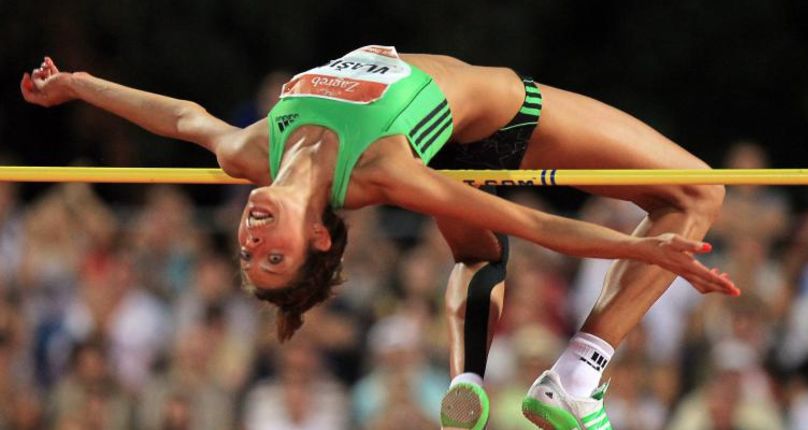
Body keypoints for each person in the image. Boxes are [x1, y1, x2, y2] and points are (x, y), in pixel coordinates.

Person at [22, 45, 737, 430]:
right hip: (504, 120)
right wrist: (639, 249)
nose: (250, 239)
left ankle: (467, 380)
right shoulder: (377, 167)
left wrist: (80, 85)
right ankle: (579, 377)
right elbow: (529, 221)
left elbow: (180, 118)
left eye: (248, 253)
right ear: (322, 239)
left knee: (477, 253)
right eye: (275, 258)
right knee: (700, 190)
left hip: (449, 145)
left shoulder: (251, 152)